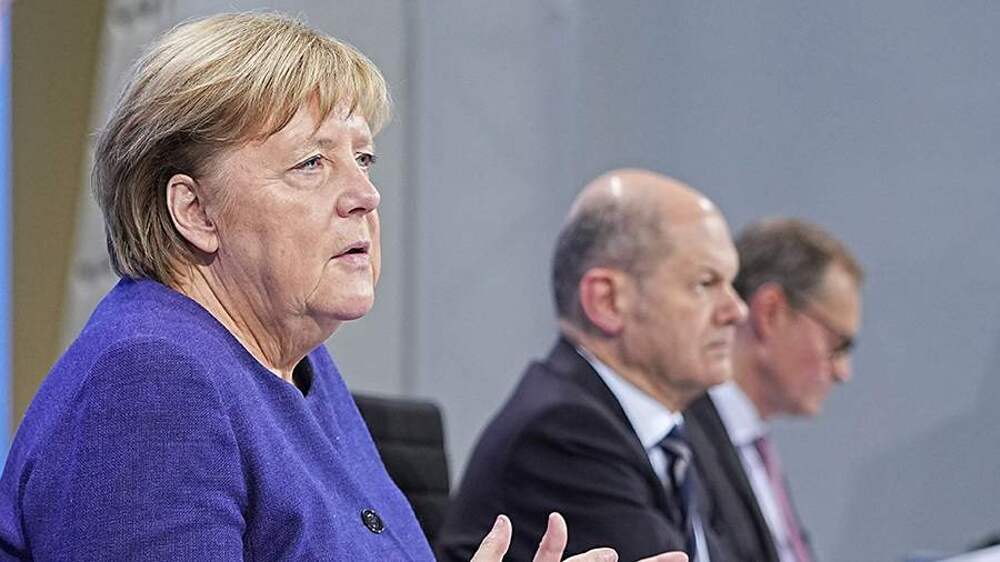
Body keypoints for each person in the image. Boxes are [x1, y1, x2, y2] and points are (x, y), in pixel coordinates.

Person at [0, 13, 686, 562]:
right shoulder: (150, 381)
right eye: (311, 164)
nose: (365, 194)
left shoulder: (298, 365)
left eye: (363, 158)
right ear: (196, 211)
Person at [437, 169, 748, 562]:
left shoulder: (680, 427)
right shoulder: (561, 432)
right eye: (705, 284)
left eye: (731, 284)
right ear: (607, 301)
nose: (736, 310)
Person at [685, 218, 864, 562]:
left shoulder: (756, 449)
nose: (843, 372)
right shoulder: (682, 444)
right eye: (837, 345)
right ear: (771, 313)